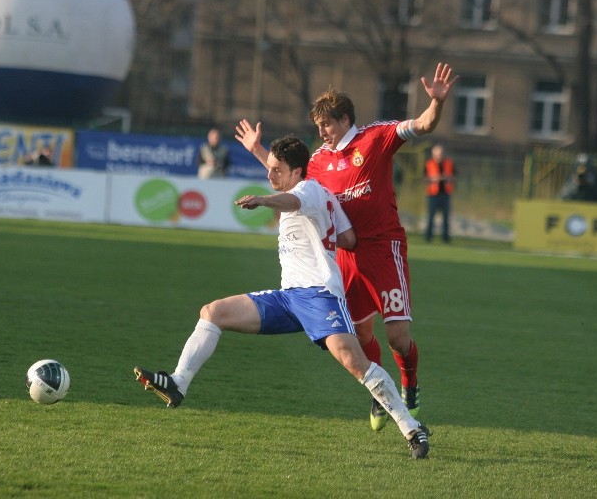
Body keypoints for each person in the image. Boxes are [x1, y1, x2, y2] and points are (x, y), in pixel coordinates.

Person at [133, 136, 431, 459]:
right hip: (289, 297)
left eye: (277, 170)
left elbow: (293, 201)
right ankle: (178, 384)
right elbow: (348, 238)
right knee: (213, 312)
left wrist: (264, 201)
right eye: (269, 169)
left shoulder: (309, 191)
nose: (270, 175)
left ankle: (412, 428)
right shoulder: (320, 194)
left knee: (356, 363)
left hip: (320, 297)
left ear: (297, 172)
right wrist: (260, 154)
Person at [236, 62, 459, 432]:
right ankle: (379, 391)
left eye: (326, 124)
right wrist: (259, 150)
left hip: (384, 248)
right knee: (359, 335)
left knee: (398, 338)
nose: (321, 132)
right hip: (346, 256)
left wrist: (435, 103)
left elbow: (421, 126)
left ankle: (410, 386)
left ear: (344, 119)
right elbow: (289, 180)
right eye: (318, 126)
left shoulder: (376, 138)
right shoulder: (319, 160)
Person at [424, 143, 456, 243]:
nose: (439, 155)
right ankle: (428, 237)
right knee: (431, 217)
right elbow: (425, 178)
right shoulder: (429, 164)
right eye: (437, 153)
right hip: (433, 194)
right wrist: (436, 178)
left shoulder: (449, 163)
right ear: (433, 154)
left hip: (446, 194)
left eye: (441, 153)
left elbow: (455, 177)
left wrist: (447, 177)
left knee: (446, 217)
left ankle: (445, 238)